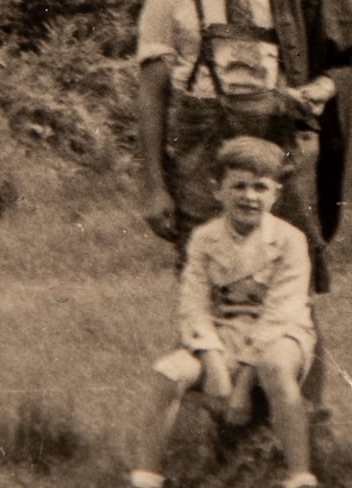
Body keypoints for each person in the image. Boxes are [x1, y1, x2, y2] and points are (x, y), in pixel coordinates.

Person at [134, 0, 352, 290]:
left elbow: (347, 65)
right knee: (209, 287)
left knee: (290, 290)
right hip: (201, 160)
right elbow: (151, 94)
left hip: (283, 155)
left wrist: (320, 88)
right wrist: (152, 186)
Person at [130, 138, 318, 488]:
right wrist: (215, 367)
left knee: (275, 367)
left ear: (275, 193)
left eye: (260, 187)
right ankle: (146, 475)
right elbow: (194, 306)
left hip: (281, 336)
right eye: (239, 186)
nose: (250, 196)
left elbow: (280, 313)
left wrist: (242, 388)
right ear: (218, 191)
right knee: (169, 373)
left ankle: (300, 474)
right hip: (221, 335)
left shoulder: (290, 240)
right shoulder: (204, 238)